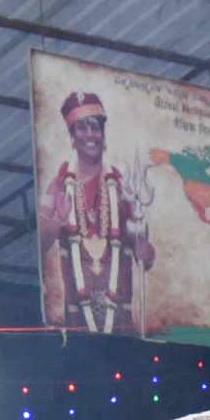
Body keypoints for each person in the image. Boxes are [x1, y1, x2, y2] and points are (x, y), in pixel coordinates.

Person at [39, 88, 151, 337]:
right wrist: (58, 220)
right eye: (82, 128)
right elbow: (40, 242)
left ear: (103, 134)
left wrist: (143, 248)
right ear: (72, 136)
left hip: (122, 327)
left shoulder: (122, 187)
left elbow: (146, 254)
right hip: (77, 327)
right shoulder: (59, 185)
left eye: (95, 127)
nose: (90, 134)